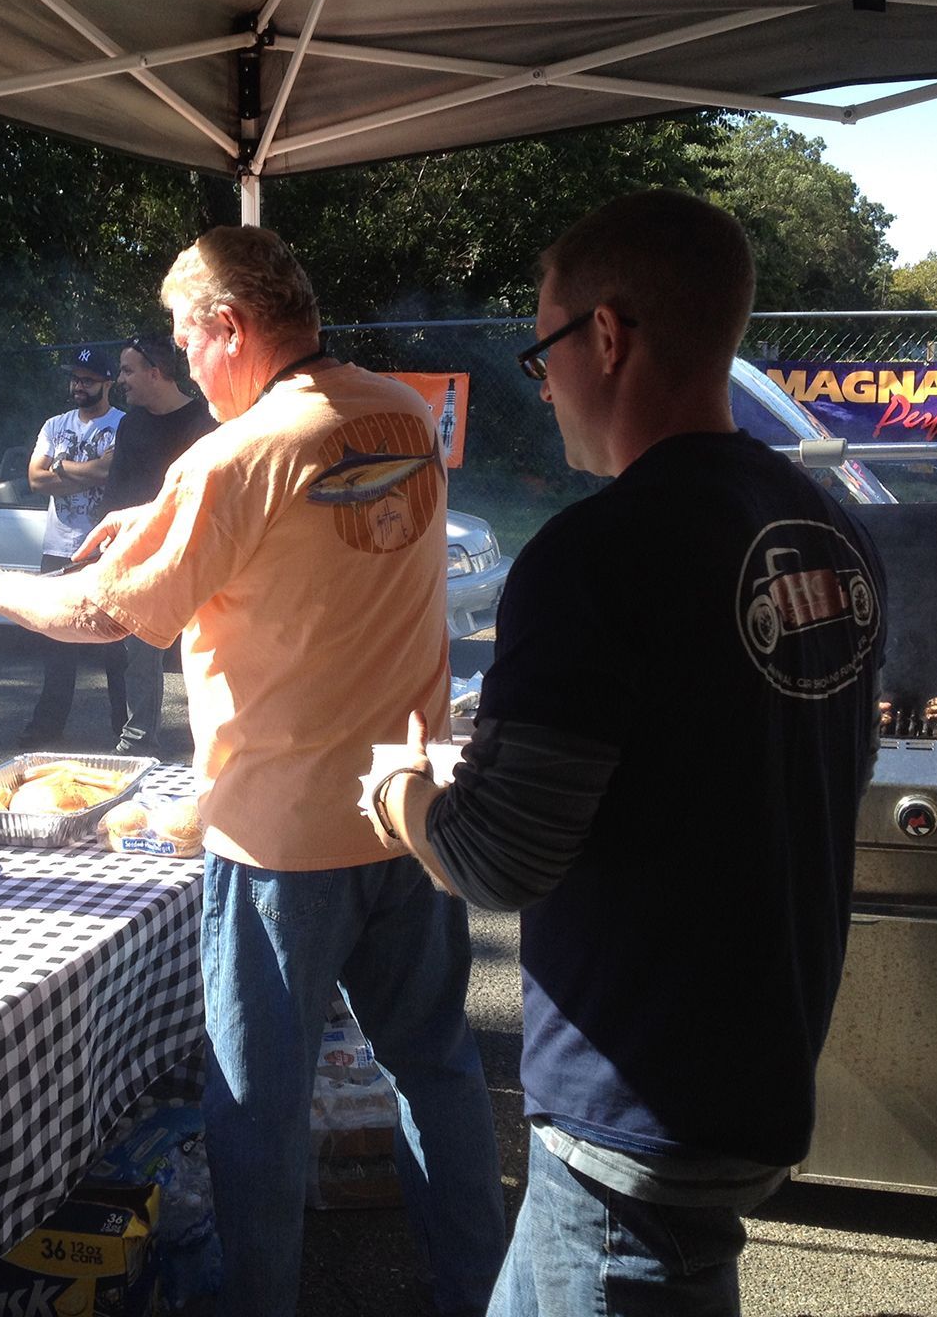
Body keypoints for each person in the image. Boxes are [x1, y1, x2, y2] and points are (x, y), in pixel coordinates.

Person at [0, 228, 505, 1317]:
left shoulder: (232, 457)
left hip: (284, 833)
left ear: (229, 330)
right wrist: (159, 517)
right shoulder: (393, 411)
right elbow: (322, 519)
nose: (183, 366)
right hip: (413, 802)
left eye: (184, 342)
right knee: (434, 1070)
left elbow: (111, 612)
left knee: (258, 1105)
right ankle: (476, 1293)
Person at [360, 191, 885, 1315]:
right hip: (739, 1078)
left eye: (542, 350)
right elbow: (758, 758)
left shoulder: (595, 556)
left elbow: (497, 860)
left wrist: (403, 792)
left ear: (605, 336)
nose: (541, 383)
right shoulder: (825, 526)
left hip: (632, 1116)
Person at [99, 334, 216, 755]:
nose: (120, 379)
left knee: (210, 648)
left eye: (128, 370)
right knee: (138, 655)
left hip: (201, 554)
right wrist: (107, 543)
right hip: (143, 557)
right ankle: (137, 743)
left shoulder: (208, 421)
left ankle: (217, 743)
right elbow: (117, 492)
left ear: (156, 373)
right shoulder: (131, 424)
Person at [19, 347, 126, 748]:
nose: (78, 386)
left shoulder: (124, 425)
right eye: (75, 379)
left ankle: (125, 732)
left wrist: (60, 469)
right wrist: (87, 474)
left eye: (87, 380)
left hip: (106, 548)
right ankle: (46, 730)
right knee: (56, 642)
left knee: (117, 649)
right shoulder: (55, 424)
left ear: (107, 383)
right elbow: (34, 479)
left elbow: (110, 472)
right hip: (58, 548)